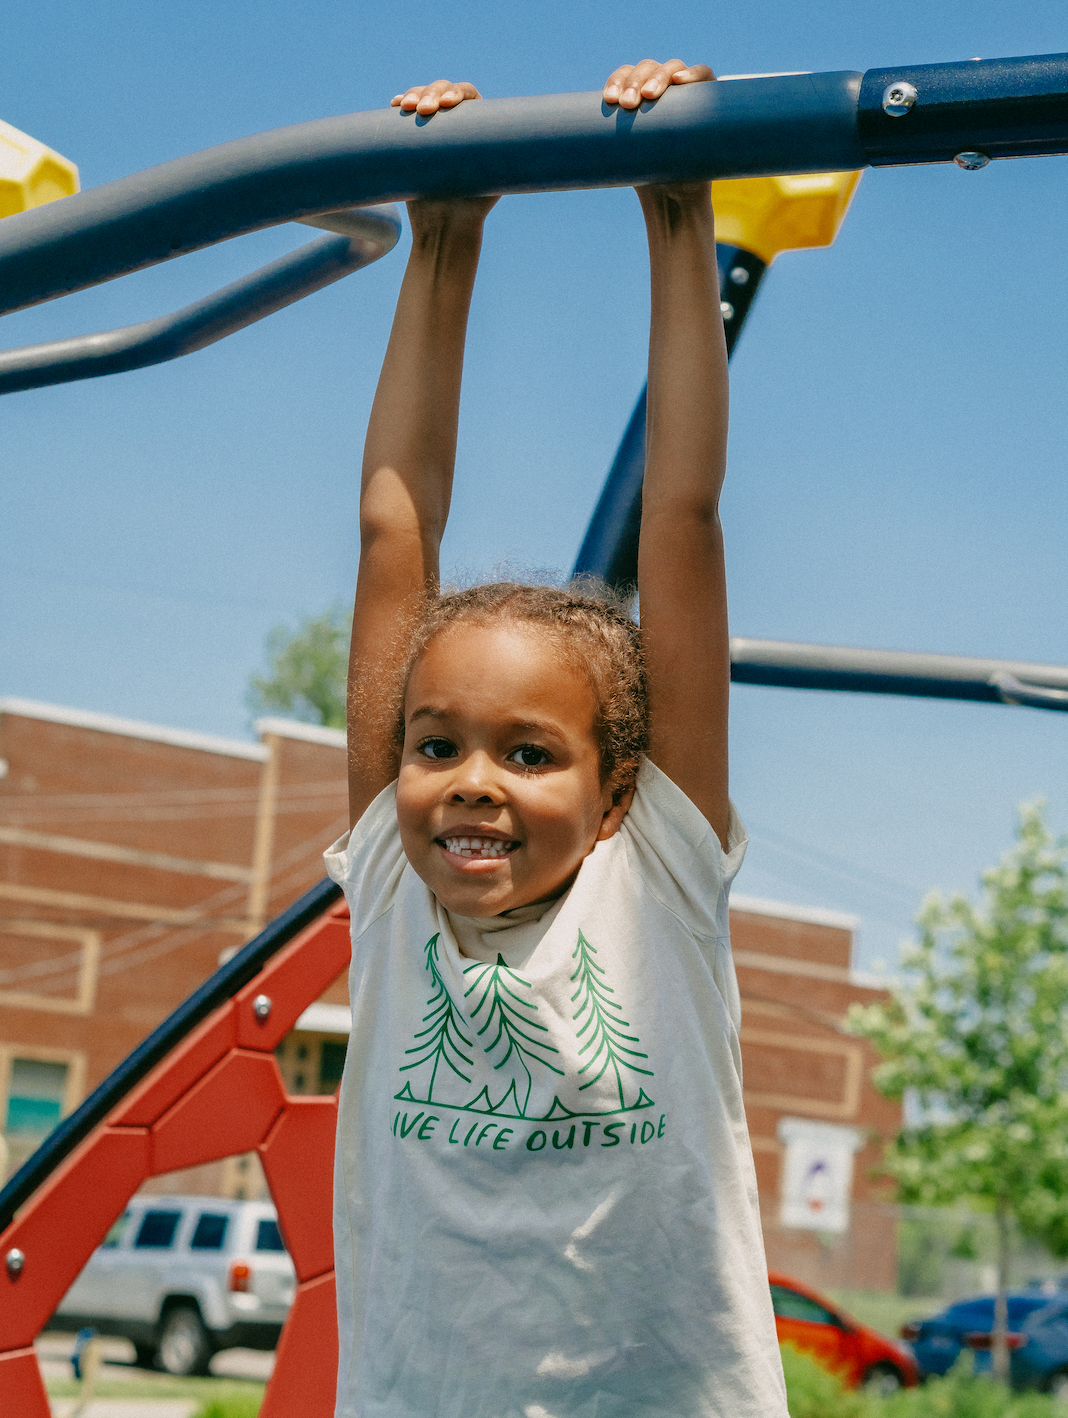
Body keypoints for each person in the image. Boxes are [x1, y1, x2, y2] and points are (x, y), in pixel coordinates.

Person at [324, 58, 788, 1418]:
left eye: (529, 754)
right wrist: (443, 235)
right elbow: (394, 529)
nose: (471, 782)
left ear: (617, 791)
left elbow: (681, 518)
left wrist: (679, 213)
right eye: (437, 746)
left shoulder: (658, 879)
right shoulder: (391, 878)